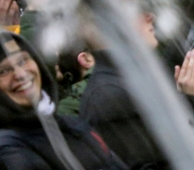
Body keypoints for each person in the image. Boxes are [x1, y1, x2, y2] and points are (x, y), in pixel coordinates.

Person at [0, 31, 128, 170]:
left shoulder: (71, 122)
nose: (21, 74)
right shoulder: (8, 148)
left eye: (23, 61)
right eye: (3, 71)